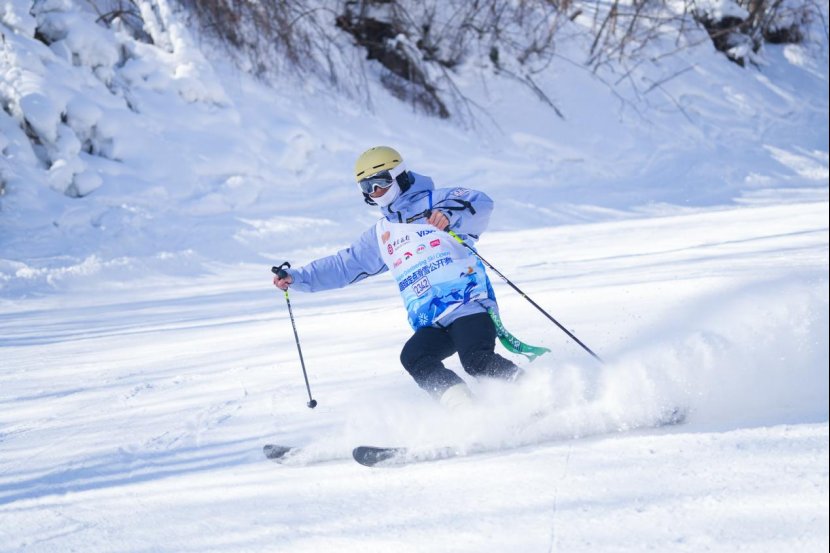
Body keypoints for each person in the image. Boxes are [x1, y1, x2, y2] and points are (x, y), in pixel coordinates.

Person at [273, 146, 521, 410]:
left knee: (476, 360)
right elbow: (346, 264)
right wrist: (297, 277)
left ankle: (535, 392)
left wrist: (449, 214)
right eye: (366, 186)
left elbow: (481, 202)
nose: (374, 191)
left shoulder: (436, 201)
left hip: (467, 305)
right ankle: (466, 412)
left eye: (380, 182)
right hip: (431, 319)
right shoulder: (383, 232)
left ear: (400, 176)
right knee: (415, 357)